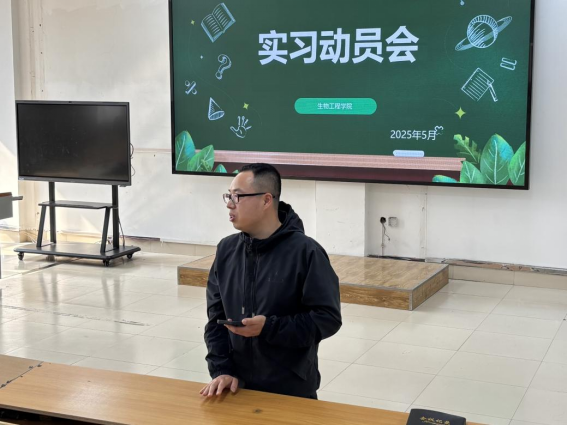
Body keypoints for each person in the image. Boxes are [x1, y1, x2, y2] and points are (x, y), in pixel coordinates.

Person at [200, 163, 342, 400]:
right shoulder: (226, 250)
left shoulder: (306, 253)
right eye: (228, 196)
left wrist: (269, 328)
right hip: (236, 387)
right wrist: (222, 370)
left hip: (290, 390)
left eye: (237, 196)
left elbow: (328, 319)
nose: (229, 204)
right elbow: (216, 320)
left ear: (266, 200)